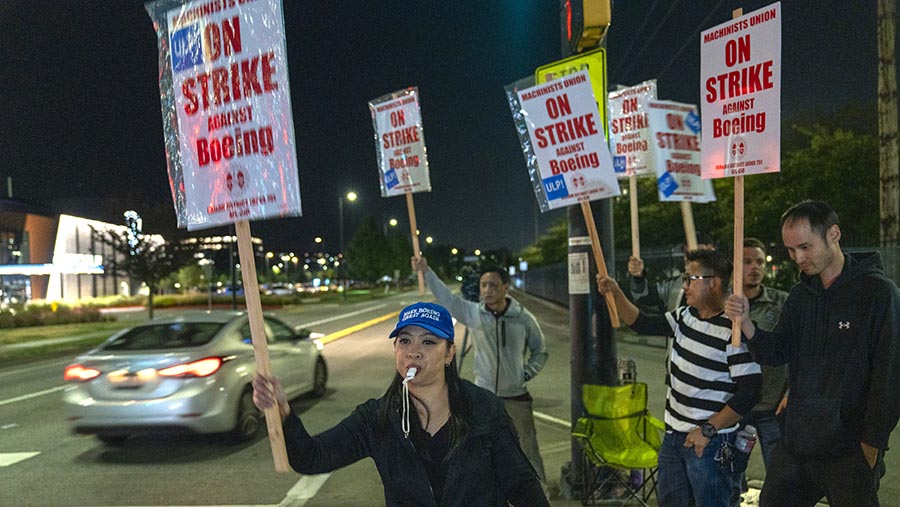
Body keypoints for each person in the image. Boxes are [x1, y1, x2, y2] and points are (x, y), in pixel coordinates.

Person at [252, 302, 549, 507]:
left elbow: (521, 485)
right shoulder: (377, 418)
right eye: (405, 341)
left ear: (449, 354)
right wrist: (283, 413)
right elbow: (312, 457)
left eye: (428, 342)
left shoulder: (483, 408)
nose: (414, 352)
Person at [725, 200, 900, 507]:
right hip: (796, 443)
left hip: (850, 447)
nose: (799, 258)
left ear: (834, 234)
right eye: (791, 250)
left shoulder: (878, 294)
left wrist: (872, 442)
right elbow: (778, 350)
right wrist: (747, 324)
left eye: (805, 246)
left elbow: (889, 373)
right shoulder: (801, 295)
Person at [597, 249, 762, 507]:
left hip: (708, 444)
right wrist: (616, 292)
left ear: (715, 282)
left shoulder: (734, 331)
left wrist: (707, 430)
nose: (684, 286)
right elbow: (642, 323)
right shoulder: (685, 316)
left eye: (690, 279)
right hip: (673, 438)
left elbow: (751, 391)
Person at [411, 256, 549, 484]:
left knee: (527, 450)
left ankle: (539, 495)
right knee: (481, 454)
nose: (487, 290)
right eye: (483, 285)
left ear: (506, 287)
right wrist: (426, 271)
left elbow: (540, 350)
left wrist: (525, 374)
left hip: (516, 397)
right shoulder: (474, 313)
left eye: (493, 285)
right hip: (483, 397)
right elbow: (448, 300)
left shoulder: (523, 318)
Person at [740, 237, 789, 471]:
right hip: (735, 409)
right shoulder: (723, 304)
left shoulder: (782, 302)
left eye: (759, 261)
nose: (755, 267)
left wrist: (791, 391)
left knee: (780, 475)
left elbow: (798, 350)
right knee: (731, 475)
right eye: (747, 261)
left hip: (772, 407)